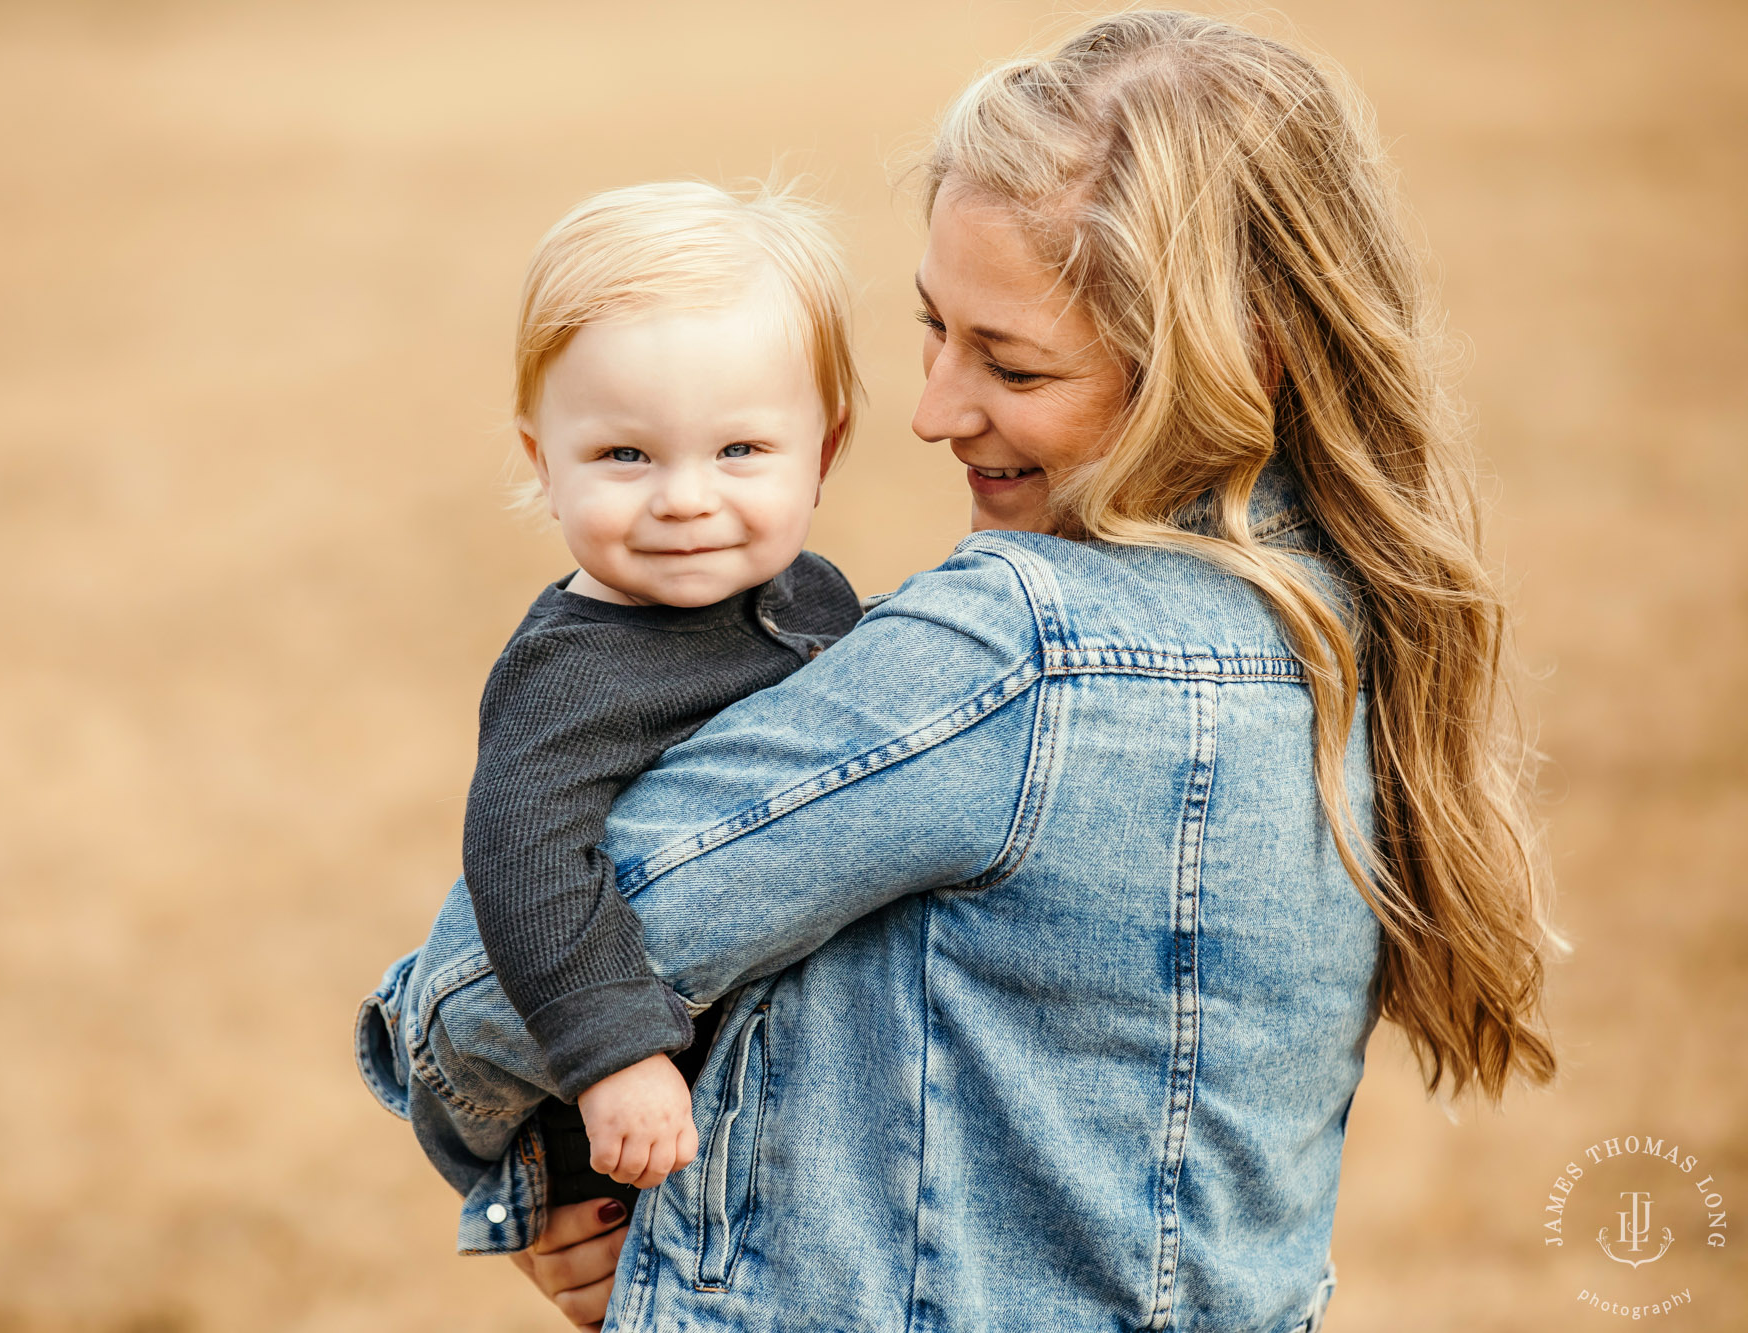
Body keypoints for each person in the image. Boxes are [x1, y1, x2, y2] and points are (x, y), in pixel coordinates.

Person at [356, 12, 1559, 1331]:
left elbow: (481, 986)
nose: (931, 410)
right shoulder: (1348, 626)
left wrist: (545, 1168)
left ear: (1242, 354)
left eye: (1014, 362)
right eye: (935, 328)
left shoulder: (1016, 652)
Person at [453, 180, 864, 1209]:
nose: (684, 497)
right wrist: (612, 1054)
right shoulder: (569, 671)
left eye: (739, 450)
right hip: (652, 1119)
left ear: (822, 453)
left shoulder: (814, 594)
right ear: (543, 464)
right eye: (623, 454)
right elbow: (523, 856)